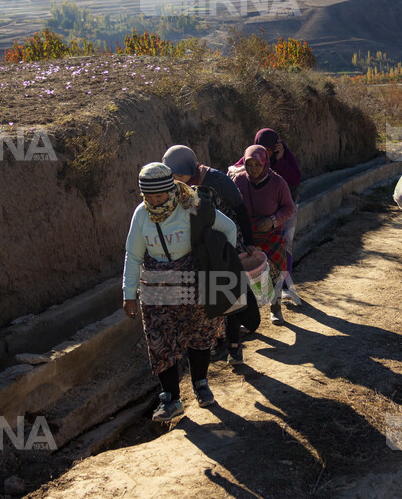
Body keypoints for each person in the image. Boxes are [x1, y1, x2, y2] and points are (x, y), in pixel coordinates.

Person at [122, 161, 239, 423]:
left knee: (199, 333)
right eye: (148, 196)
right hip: (155, 284)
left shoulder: (191, 205)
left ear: (171, 190)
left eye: (159, 195)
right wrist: (128, 293)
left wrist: (223, 267)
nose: (153, 201)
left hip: (191, 281)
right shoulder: (141, 214)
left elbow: (228, 228)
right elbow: (133, 255)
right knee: (160, 339)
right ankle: (171, 399)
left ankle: (200, 383)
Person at [162, 144, 259, 366]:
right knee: (208, 298)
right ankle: (218, 342)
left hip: (225, 243)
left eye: (179, 174)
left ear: (190, 168)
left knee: (228, 294)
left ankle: (234, 348)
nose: (176, 179)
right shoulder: (177, 188)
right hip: (200, 248)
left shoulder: (216, 181)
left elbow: (241, 210)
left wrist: (246, 245)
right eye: (173, 175)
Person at [230, 145, 296, 324]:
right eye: (249, 165)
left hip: (272, 236)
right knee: (246, 277)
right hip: (247, 236)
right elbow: (233, 205)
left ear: (265, 163)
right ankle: (248, 317)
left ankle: (275, 308)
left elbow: (289, 207)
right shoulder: (239, 180)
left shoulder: (277, 182)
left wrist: (273, 220)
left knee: (276, 274)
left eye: (257, 165)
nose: (253, 170)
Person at [253, 129, 302, 305]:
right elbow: (237, 167)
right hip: (264, 209)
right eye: (262, 148)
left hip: (286, 207)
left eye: (270, 150)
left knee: (286, 244)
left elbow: (296, 178)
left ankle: (286, 287)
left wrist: (280, 160)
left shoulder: (284, 155)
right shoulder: (253, 155)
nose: (266, 154)